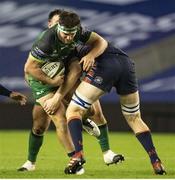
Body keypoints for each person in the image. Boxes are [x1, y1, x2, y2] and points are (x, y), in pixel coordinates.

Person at [42, 11, 166, 175]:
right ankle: (156, 161)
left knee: (73, 110)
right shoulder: (73, 35)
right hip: (126, 64)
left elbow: (98, 46)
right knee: (134, 117)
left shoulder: (62, 40)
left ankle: (78, 155)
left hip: (105, 65)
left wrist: (56, 95)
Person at [18, 9, 123, 173]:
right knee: (53, 120)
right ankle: (74, 160)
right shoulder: (46, 42)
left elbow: (100, 43)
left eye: (71, 34)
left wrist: (91, 55)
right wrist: (51, 81)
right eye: (64, 33)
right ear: (55, 26)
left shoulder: (77, 33)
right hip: (41, 81)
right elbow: (29, 68)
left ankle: (87, 128)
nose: (69, 38)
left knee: (90, 109)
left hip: (63, 75)